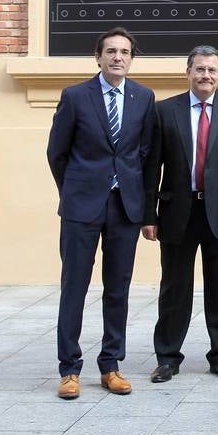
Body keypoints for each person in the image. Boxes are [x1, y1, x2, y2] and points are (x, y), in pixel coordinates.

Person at [46, 27, 157, 400]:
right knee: (74, 286)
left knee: (118, 288)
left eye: (124, 52)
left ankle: (111, 365)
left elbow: (144, 152)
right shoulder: (76, 96)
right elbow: (56, 153)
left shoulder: (143, 98)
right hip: (82, 206)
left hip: (124, 206)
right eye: (110, 51)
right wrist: (76, 189)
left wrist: (131, 192)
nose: (117, 57)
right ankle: (69, 369)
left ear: (131, 59)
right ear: (98, 57)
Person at [142, 45, 218, 383]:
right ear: (187, 72)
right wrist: (149, 215)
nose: (206, 75)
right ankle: (167, 357)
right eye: (199, 69)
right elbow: (152, 168)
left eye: (212, 70)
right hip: (177, 210)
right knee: (174, 287)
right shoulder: (164, 111)